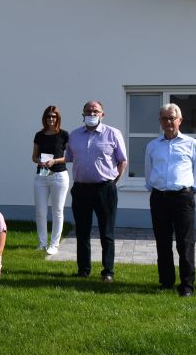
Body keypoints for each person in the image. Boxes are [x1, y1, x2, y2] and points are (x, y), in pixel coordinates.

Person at [145, 104, 196, 297]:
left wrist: (187, 193)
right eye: (164, 118)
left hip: (183, 198)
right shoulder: (153, 146)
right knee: (162, 242)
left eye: (172, 118)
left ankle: (187, 285)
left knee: (185, 242)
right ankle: (166, 281)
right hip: (159, 197)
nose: (168, 122)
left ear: (180, 120)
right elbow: (148, 174)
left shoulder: (192, 144)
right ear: (160, 121)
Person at [65, 100, 127, 282]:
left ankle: (108, 271)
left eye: (96, 111)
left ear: (102, 114)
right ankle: (83, 269)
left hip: (105, 188)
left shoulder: (113, 134)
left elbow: (122, 161)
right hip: (81, 189)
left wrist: (113, 181)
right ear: (83, 114)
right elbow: (69, 157)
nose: (92, 114)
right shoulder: (74, 135)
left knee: (106, 232)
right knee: (82, 231)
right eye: (88, 111)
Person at [32, 105, 69, 255]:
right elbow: (34, 156)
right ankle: (42, 243)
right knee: (40, 211)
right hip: (42, 175)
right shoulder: (39, 135)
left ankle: (54, 244)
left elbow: (69, 156)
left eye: (54, 116)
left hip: (59, 176)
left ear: (58, 118)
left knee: (57, 211)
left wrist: (55, 161)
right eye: (48, 116)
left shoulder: (64, 135)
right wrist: (39, 161)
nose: (51, 119)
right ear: (44, 118)